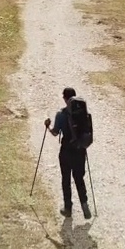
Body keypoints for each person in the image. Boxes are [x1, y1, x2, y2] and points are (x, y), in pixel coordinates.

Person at [44, 86, 91, 219]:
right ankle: (85, 206)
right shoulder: (84, 113)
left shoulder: (61, 114)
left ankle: (68, 208)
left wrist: (47, 126)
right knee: (79, 178)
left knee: (66, 179)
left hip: (66, 151)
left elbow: (55, 133)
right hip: (80, 150)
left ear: (65, 98)